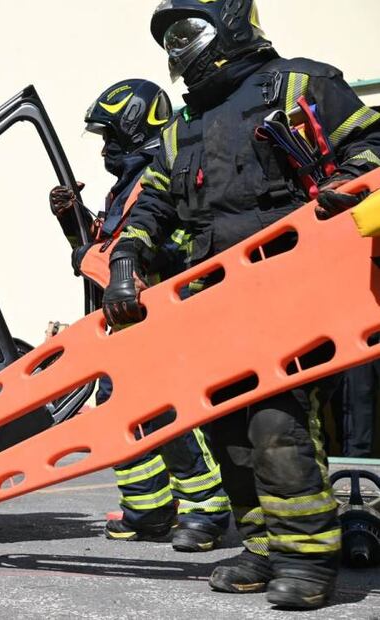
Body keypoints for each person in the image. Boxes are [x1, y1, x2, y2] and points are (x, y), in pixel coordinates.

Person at [104, 0, 380, 607]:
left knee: (276, 424)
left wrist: (347, 187)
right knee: (228, 427)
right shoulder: (184, 127)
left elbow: (373, 147)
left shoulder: (301, 84)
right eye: (169, 37)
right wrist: (127, 261)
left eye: (189, 30)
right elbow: (151, 202)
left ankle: (307, 556)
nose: (178, 47)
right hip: (216, 301)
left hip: (294, 286)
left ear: (230, 23)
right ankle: (261, 544)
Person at [50, 79, 231, 552]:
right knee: (123, 422)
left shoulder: (159, 181)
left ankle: (206, 511)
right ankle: (147, 511)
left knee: (172, 418)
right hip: (125, 328)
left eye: (111, 136)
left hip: (161, 325)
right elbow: (108, 249)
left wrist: (85, 256)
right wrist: (74, 224)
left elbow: (153, 255)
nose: (106, 147)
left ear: (134, 131)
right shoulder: (126, 188)